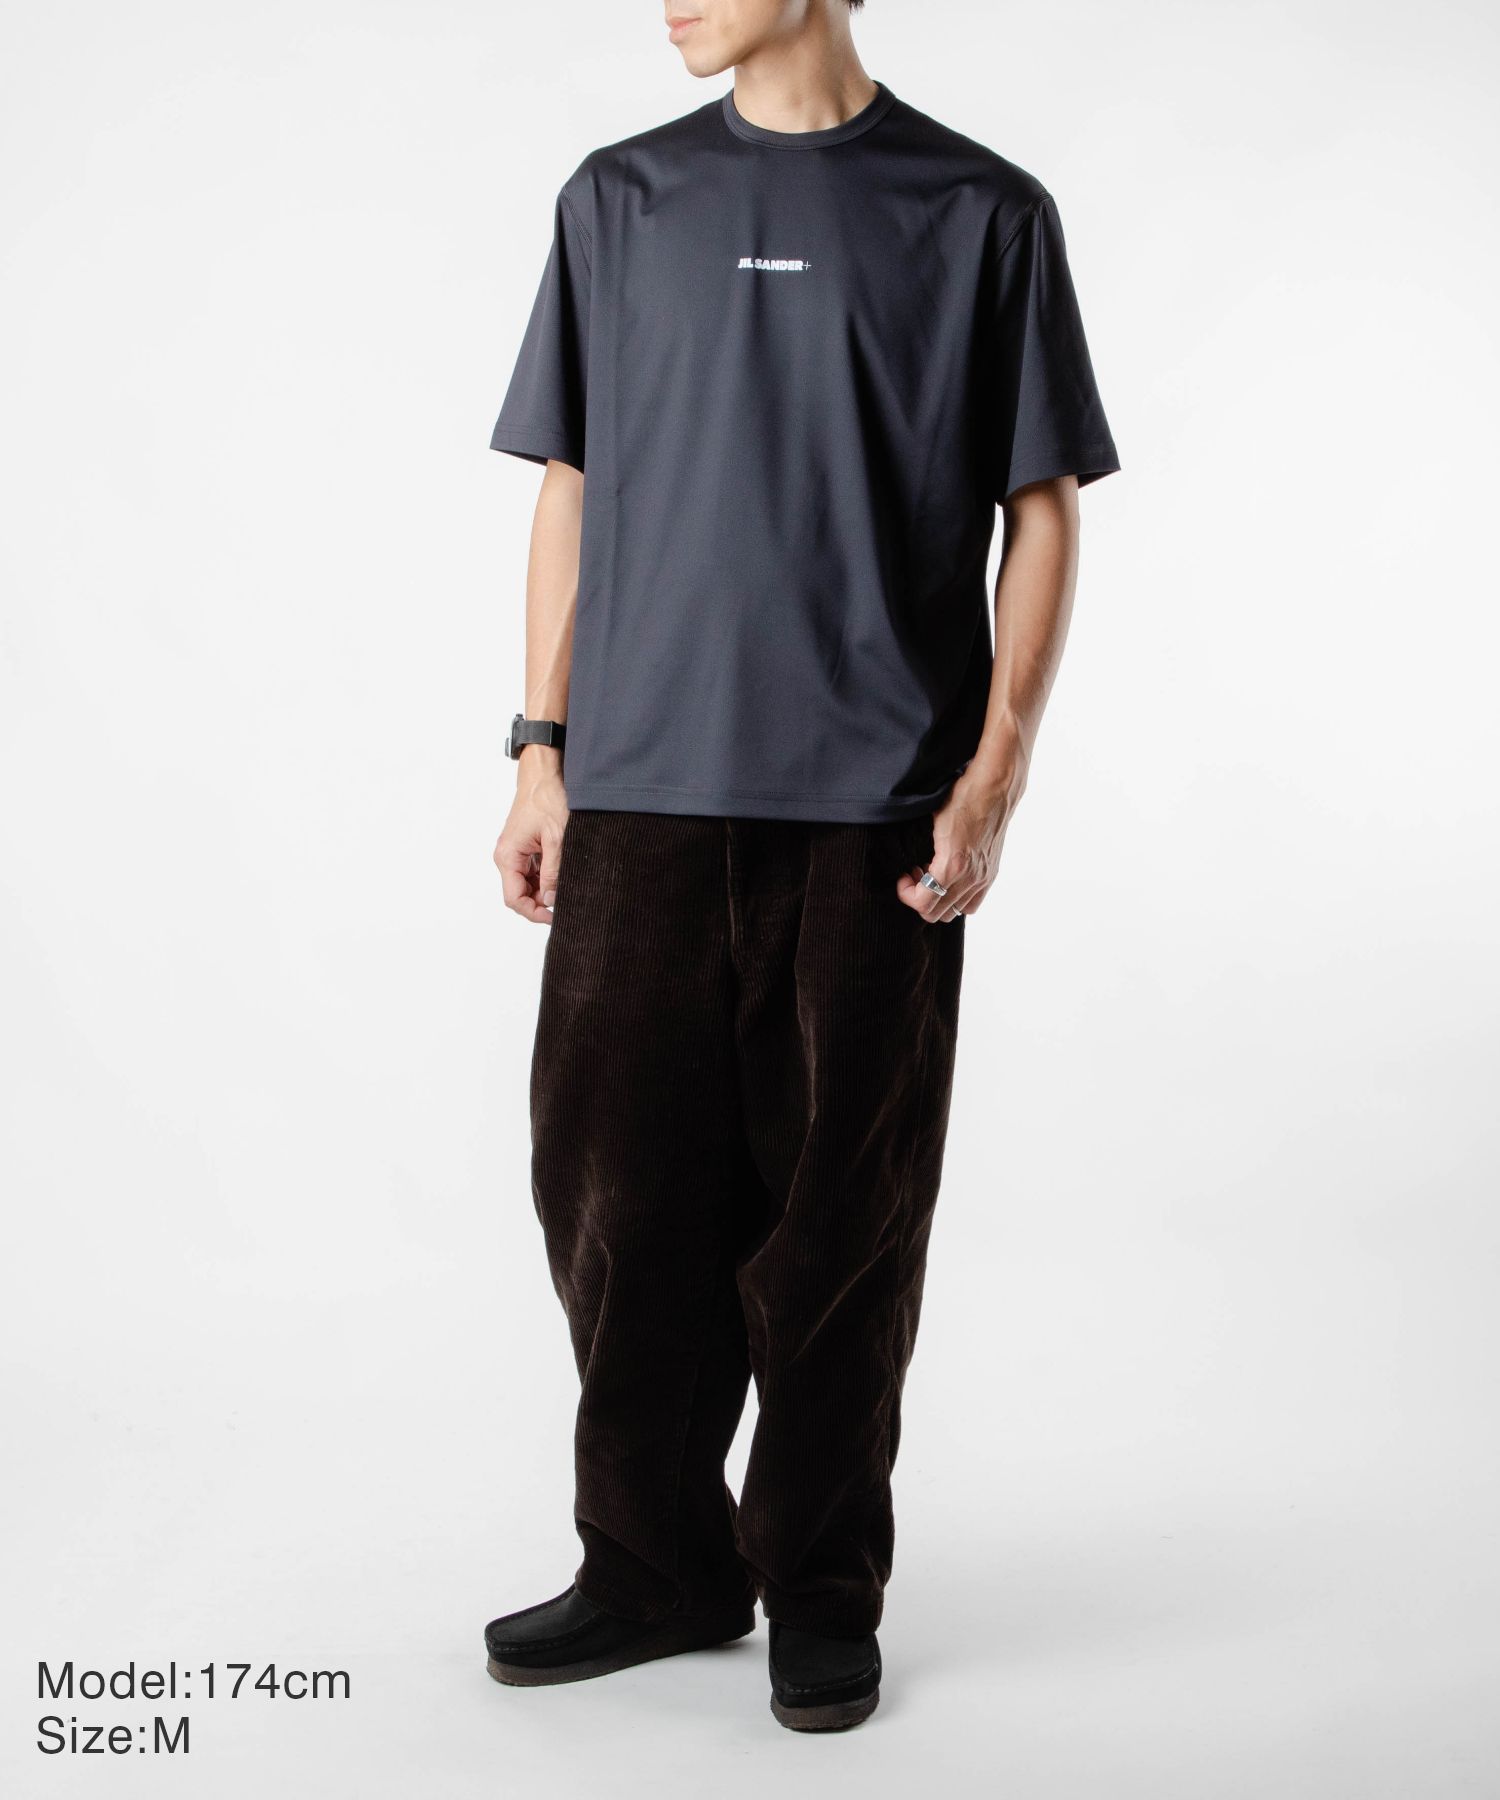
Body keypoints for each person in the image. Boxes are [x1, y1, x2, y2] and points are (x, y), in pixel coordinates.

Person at [481, 0, 1119, 1733]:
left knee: (844, 1220)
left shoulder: (980, 212)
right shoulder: (617, 199)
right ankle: (656, 1566)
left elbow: (1043, 506)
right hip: (640, 795)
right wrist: (539, 751)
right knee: (613, 1200)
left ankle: (823, 1587)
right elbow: (572, 485)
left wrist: (995, 772)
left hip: (876, 812)